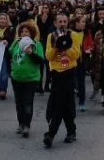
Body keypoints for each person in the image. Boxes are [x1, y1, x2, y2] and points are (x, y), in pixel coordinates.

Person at [43, 12, 81, 148]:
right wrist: (56, 46)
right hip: (56, 73)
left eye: (65, 21)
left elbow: (76, 54)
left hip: (69, 72)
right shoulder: (50, 36)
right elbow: (48, 56)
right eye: (60, 22)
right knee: (64, 104)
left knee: (59, 103)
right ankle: (71, 131)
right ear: (55, 23)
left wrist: (66, 48)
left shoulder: (73, 35)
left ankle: (51, 134)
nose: (63, 24)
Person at [9, 22, 45, 137]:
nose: (24, 34)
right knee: (19, 103)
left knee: (27, 103)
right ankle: (20, 123)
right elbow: (8, 54)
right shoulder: (16, 43)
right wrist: (4, 44)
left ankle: (26, 125)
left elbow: (41, 60)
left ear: (31, 33)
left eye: (27, 31)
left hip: (31, 79)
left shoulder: (36, 44)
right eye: (22, 32)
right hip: (16, 78)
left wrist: (31, 53)